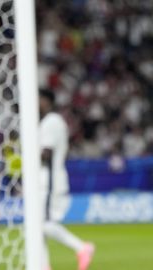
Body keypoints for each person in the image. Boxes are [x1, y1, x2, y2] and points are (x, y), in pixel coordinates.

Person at [39, 89, 94, 270]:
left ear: (46, 101)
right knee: (37, 227)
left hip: (50, 180)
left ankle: (81, 247)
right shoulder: (52, 122)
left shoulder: (51, 121)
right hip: (46, 179)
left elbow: (46, 153)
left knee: (44, 224)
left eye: (38, 100)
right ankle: (43, 265)